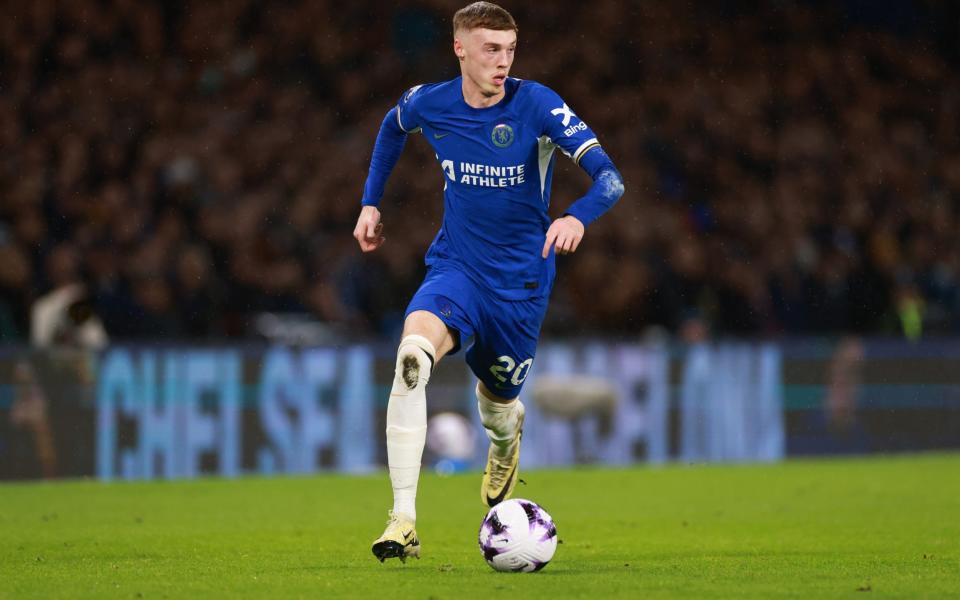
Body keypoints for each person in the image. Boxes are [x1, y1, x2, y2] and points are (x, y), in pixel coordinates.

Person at [353, 1, 624, 563]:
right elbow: (390, 126)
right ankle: (402, 519)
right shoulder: (431, 102)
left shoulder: (538, 104)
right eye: (490, 49)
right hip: (456, 268)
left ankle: (505, 438)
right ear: (460, 49)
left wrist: (577, 215)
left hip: (520, 285)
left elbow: (610, 179)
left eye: (509, 50)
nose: (502, 62)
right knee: (411, 360)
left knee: (498, 405)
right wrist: (370, 203)